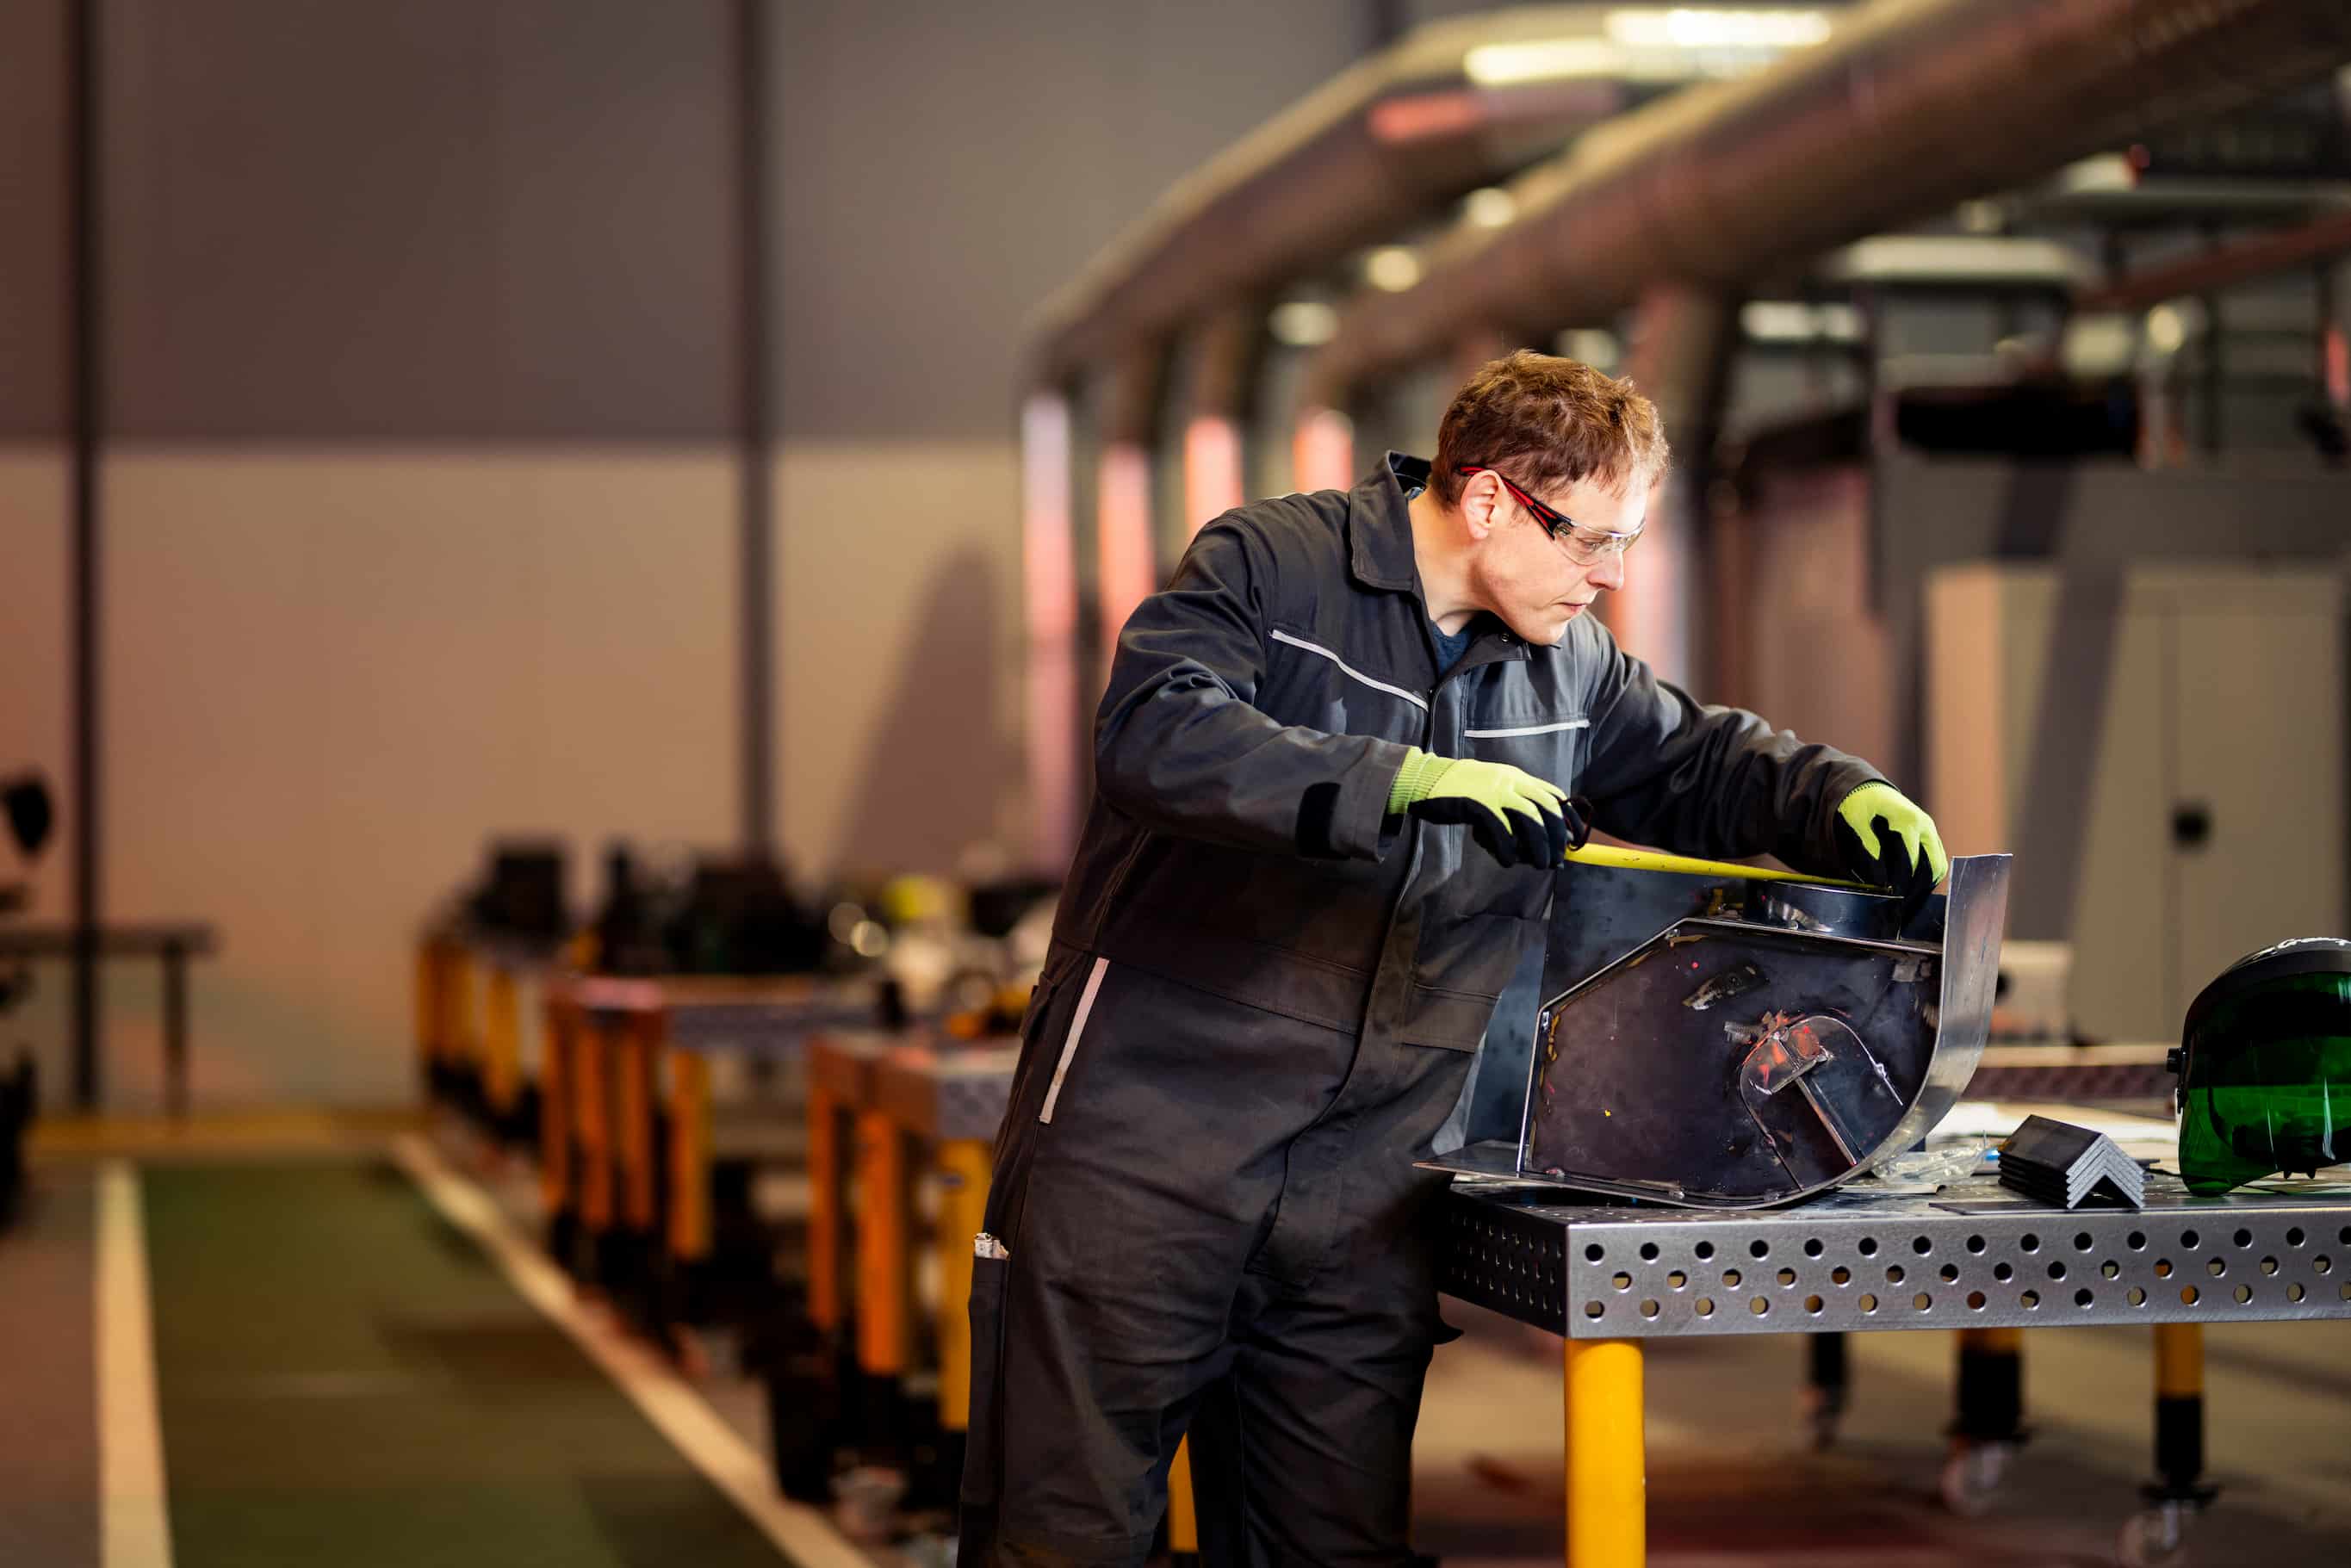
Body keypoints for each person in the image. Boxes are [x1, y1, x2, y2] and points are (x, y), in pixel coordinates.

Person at [958, 351, 1945, 1565]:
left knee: (1328, 1546)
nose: (1613, 575)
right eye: (1593, 540)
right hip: (1146, 1158)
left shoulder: (1563, 664)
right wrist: (1400, 781)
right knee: (1064, 1533)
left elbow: (1694, 762)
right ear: (1487, 498)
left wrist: (1832, 793)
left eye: (1627, 542)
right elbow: (1159, 731)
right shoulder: (1271, 568)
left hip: (1360, 1199)